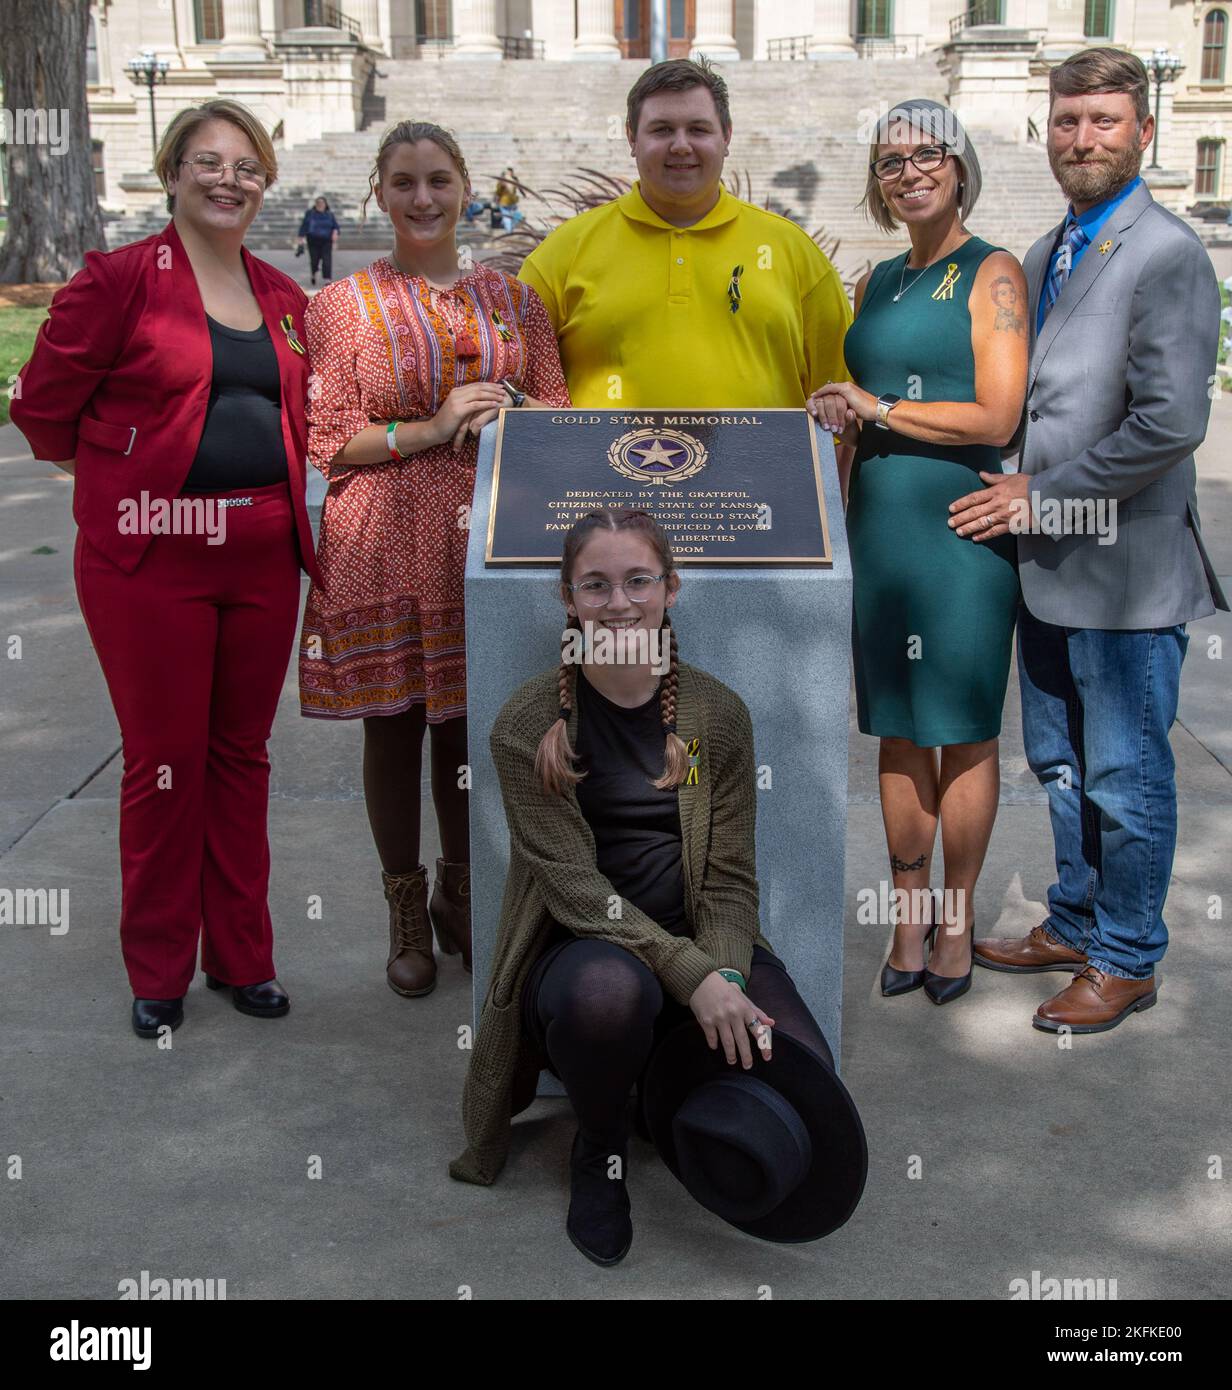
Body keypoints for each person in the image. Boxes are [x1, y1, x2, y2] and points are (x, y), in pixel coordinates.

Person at [448, 509, 861, 1266]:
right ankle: (599, 1153)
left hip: (703, 940)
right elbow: (574, 890)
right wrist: (689, 977)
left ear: (671, 589)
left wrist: (726, 973)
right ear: (567, 600)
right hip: (585, 952)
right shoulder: (529, 725)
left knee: (804, 1070)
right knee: (610, 996)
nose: (618, 602)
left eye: (638, 580)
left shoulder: (714, 717)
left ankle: (672, 1103)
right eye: (595, 585)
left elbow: (732, 877)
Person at [10, 99, 322, 1038]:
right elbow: (41, 408)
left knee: (242, 755)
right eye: (208, 162)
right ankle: (157, 968)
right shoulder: (118, 280)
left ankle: (242, 956)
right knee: (163, 762)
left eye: (247, 165)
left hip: (265, 550)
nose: (229, 179)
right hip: (153, 551)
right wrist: (115, 473)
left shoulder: (283, 295)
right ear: (173, 172)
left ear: (264, 180)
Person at [949, 49, 1227, 1034]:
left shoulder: (1167, 253)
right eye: (1067, 122)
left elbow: (1168, 424)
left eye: (1103, 121)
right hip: (1048, 573)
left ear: (1140, 132)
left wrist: (1036, 493)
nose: (1082, 139)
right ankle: (1073, 920)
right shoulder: (1040, 253)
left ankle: (1126, 956)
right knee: (1061, 768)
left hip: (1123, 575)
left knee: (1125, 773)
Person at [298, 121, 569, 999]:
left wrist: (513, 407)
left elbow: (556, 413)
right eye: (405, 182)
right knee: (395, 720)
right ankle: (405, 908)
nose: (423, 198)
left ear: (468, 187)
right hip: (380, 530)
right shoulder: (341, 305)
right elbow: (328, 440)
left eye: (440, 180)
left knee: (466, 720)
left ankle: (463, 890)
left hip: (486, 528)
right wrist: (434, 425)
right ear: (378, 191)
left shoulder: (515, 299)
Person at [808, 100, 1027, 1006]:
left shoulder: (997, 273)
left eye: (927, 154)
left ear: (961, 165)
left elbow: (997, 417)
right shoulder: (878, 280)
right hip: (882, 529)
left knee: (964, 734)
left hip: (961, 530)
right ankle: (907, 917)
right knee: (896, 731)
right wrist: (838, 435)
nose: (910, 172)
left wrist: (880, 409)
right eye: (891, 161)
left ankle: (958, 919)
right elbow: (858, 410)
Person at [519, 57, 852, 410]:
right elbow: (517, 395)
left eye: (698, 129)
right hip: (599, 467)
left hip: (760, 466)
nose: (680, 145)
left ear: (726, 136)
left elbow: (841, 408)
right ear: (631, 137)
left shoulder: (794, 251)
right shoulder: (562, 254)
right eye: (661, 130)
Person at [297, 195, 340, 285]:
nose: (320, 205)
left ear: (325, 204)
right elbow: (304, 225)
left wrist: (335, 233)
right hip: (313, 241)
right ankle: (314, 274)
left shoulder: (329, 214)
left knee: (327, 260)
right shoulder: (310, 213)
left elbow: (335, 226)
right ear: (315, 204)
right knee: (314, 259)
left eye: (322, 203)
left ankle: (327, 279)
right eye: (318, 203)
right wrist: (300, 239)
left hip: (326, 241)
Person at [492, 167, 523, 231]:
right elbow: (498, 192)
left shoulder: (508, 181)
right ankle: (508, 230)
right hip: (505, 203)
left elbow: (498, 193)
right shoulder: (503, 182)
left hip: (510, 202)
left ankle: (507, 228)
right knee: (508, 217)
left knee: (514, 216)